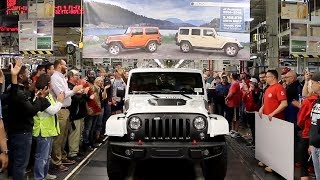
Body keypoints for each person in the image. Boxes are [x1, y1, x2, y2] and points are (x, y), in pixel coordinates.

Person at [7, 59, 50, 180]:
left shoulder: (18, 92)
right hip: (22, 132)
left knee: (17, 162)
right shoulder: (19, 94)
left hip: (16, 130)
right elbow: (31, 110)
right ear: (21, 76)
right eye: (26, 73)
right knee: (20, 164)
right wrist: (41, 99)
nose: (29, 76)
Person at [50, 59, 82, 172]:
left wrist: (73, 91)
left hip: (66, 110)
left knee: (64, 137)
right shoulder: (55, 78)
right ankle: (56, 162)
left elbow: (66, 91)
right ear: (59, 66)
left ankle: (62, 157)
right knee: (58, 138)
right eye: (64, 65)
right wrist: (74, 91)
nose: (66, 67)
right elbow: (61, 94)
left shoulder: (61, 77)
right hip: (60, 110)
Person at [33, 74, 65, 180]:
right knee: (41, 157)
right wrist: (60, 101)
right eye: (50, 82)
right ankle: (39, 177)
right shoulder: (41, 97)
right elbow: (53, 110)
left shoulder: (47, 95)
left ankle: (45, 174)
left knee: (47, 156)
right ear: (47, 85)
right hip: (43, 131)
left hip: (49, 130)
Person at [258, 69, 288, 172]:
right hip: (267, 120)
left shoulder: (279, 88)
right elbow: (267, 102)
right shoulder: (268, 88)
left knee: (276, 144)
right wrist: (262, 108)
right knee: (268, 142)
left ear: (273, 77)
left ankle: (275, 165)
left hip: (276, 121)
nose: (265, 78)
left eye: (267, 76)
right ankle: (267, 160)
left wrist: (273, 113)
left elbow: (284, 103)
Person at [297, 81, 318, 180]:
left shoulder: (308, 102)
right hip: (316, 135)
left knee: (303, 166)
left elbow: (300, 120)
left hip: (308, 135)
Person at [309, 72, 320, 180]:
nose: (311, 85)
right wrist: (311, 143)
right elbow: (313, 123)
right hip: (315, 146)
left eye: (313, 83)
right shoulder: (316, 101)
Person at [225, 73, 241, 137]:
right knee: (233, 118)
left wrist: (226, 98)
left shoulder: (234, 84)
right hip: (232, 103)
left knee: (235, 118)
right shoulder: (235, 83)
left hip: (234, 103)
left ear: (231, 77)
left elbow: (231, 93)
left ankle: (236, 131)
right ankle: (233, 130)